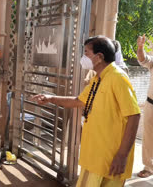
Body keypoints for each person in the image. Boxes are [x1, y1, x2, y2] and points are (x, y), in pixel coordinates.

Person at [32, 36, 140, 187]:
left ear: (99, 57)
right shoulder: (98, 79)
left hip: (111, 158)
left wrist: (122, 155)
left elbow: (134, 115)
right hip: (95, 155)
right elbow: (78, 101)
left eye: (87, 53)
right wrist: (51, 98)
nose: (84, 57)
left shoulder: (117, 78)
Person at [136, 34, 153, 178]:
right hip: (151, 104)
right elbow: (143, 59)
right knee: (148, 137)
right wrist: (140, 48)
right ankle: (149, 167)